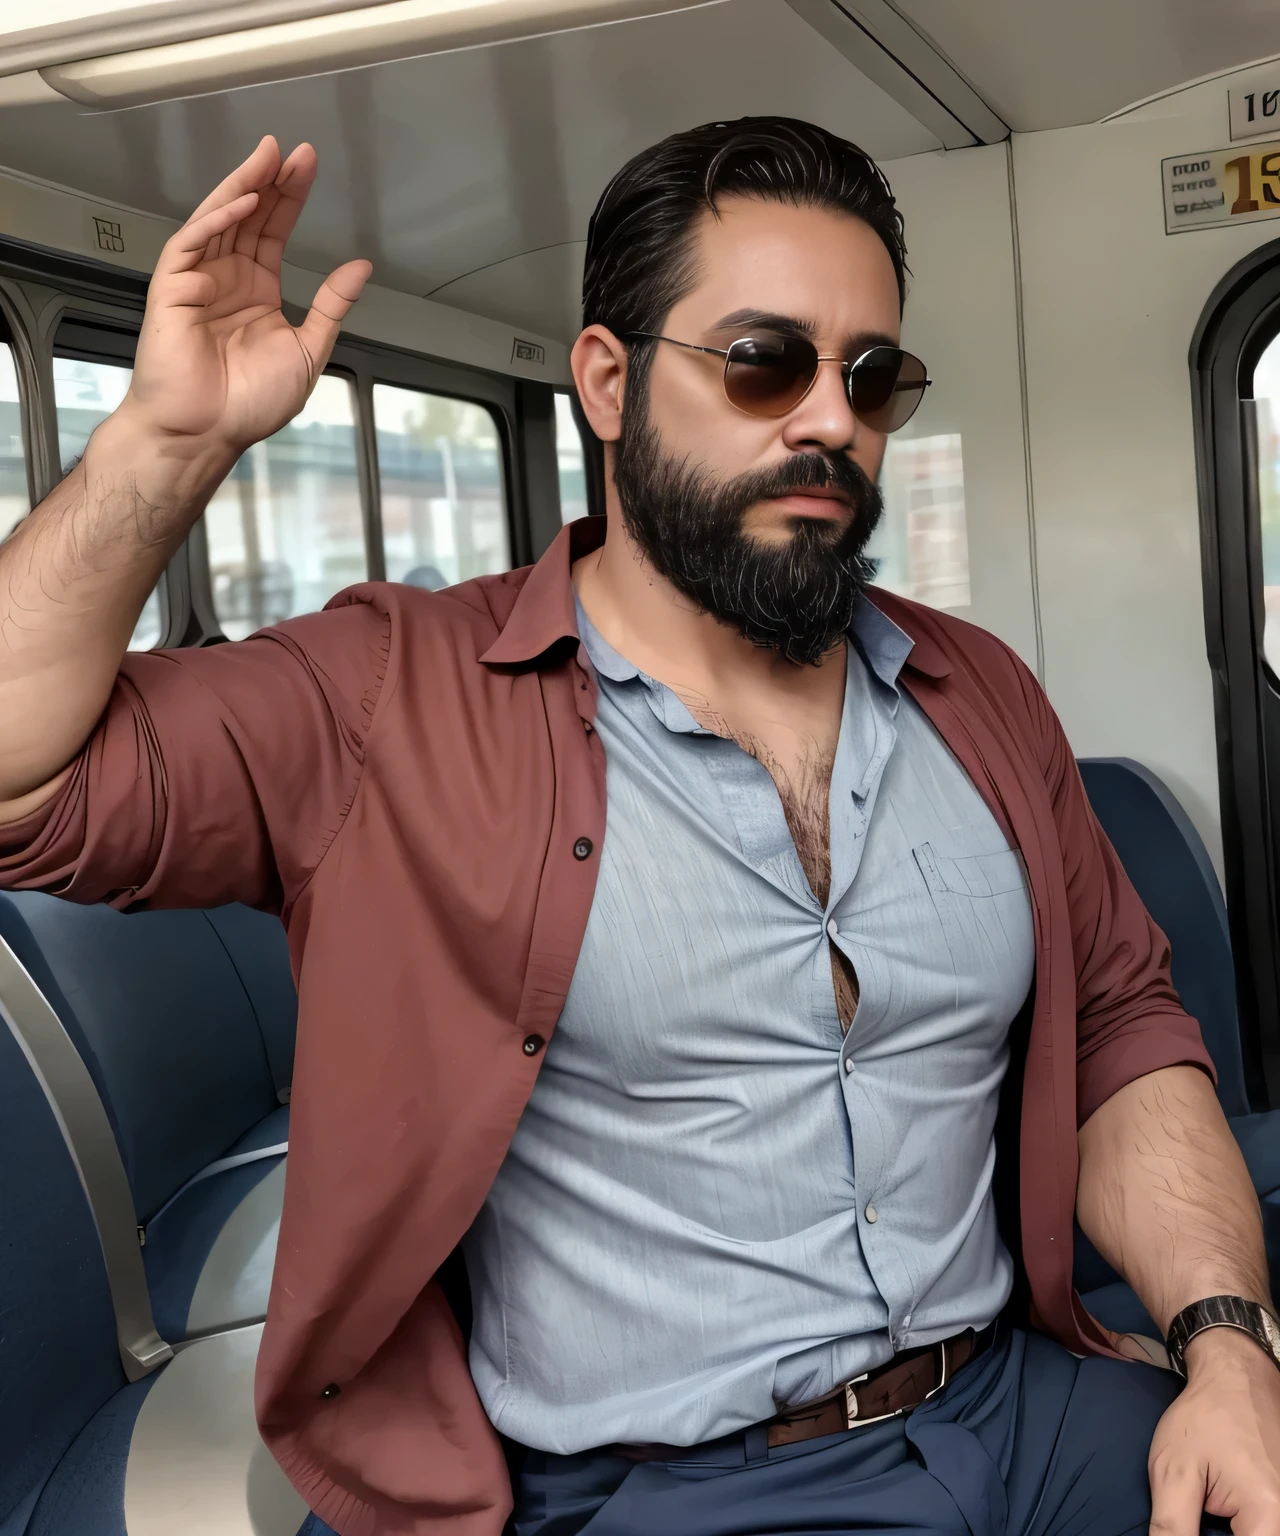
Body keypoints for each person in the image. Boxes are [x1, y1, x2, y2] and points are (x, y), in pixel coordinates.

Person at [0, 119, 1276, 1536]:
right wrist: (163, 447)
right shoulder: (390, 696)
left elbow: (1117, 1032)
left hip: (1020, 1417)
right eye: (761, 362)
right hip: (678, 1491)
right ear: (607, 382)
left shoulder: (981, 698)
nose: (828, 421)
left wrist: (1228, 1347)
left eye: (869, 378)